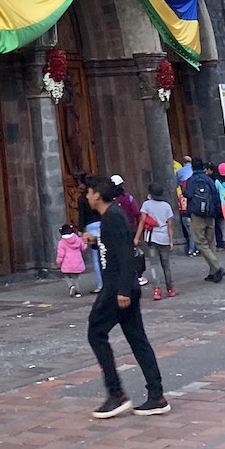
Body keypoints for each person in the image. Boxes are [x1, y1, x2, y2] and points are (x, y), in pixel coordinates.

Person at [83, 177, 168, 419]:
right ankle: (156, 395)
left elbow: (124, 253)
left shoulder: (112, 217)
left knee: (96, 333)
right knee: (137, 339)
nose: (87, 197)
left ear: (97, 194)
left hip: (117, 289)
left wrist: (122, 290)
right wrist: (96, 241)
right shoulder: (113, 215)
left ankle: (116, 393)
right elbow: (113, 247)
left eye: (88, 192)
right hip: (124, 286)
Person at [181, 159, 224, 282]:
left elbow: (187, 194)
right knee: (211, 243)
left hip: (197, 215)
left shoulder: (191, 180)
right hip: (210, 214)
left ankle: (217, 267)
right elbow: (215, 196)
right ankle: (213, 272)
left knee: (201, 243)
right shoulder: (209, 180)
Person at [135, 185, 176, 300]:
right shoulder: (167, 206)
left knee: (154, 265)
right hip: (164, 238)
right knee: (166, 265)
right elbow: (170, 225)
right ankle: (170, 288)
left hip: (152, 238)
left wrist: (137, 237)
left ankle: (157, 290)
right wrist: (171, 240)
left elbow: (142, 221)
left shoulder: (146, 205)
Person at [57, 223, 87, 295]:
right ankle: (78, 292)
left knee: (66, 275)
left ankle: (70, 285)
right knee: (75, 277)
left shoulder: (62, 242)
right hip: (77, 261)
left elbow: (61, 254)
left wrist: (58, 262)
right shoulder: (78, 239)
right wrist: (85, 243)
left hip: (67, 262)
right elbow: (83, 247)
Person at [174, 158, 196, 255]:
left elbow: (175, 183)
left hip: (185, 210)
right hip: (195, 209)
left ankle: (192, 249)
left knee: (190, 231)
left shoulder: (180, 171)